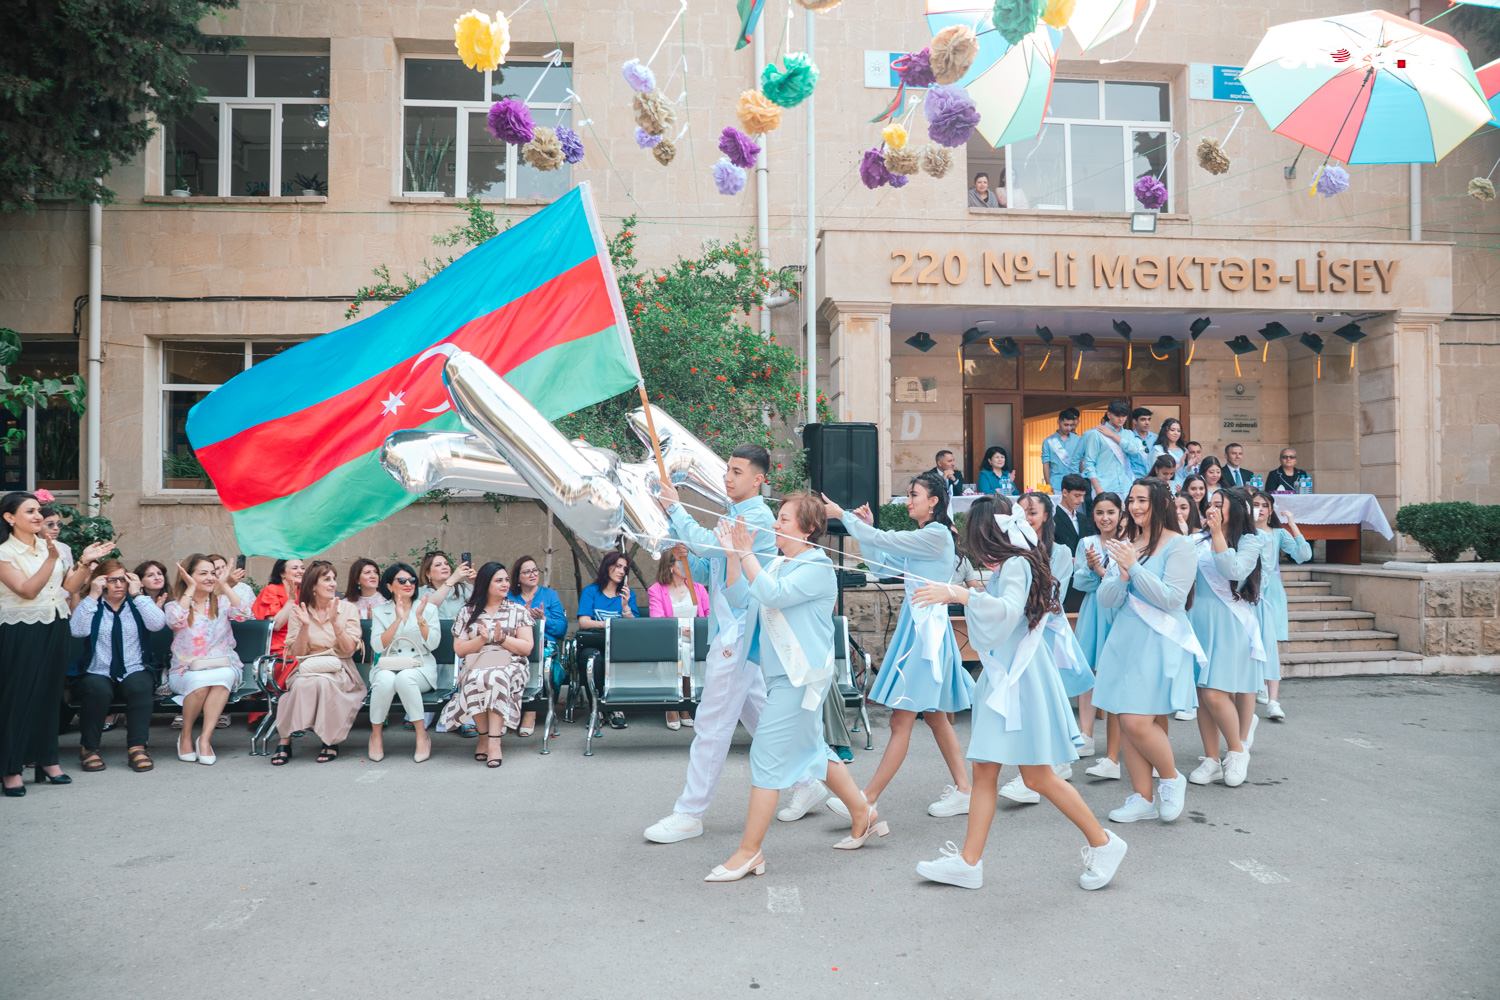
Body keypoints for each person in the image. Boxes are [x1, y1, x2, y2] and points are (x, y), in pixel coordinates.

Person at [910, 496, 1127, 891]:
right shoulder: (1018, 562)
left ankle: (1104, 841)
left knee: (1038, 775)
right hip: (1011, 678)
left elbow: (1007, 611)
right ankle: (969, 862)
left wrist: (958, 595)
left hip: (1019, 679)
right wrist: (963, 593)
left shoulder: (1016, 564)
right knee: (990, 770)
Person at [704, 494, 881, 882]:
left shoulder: (816, 565)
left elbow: (772, 595)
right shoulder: (782, 563)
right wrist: (734, 555)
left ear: (808, 529)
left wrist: (748, 554)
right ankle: (863, 814)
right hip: (786, 678)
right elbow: (740, 598)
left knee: (765, 760)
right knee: (814, 752)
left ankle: (749, 852)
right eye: (778, 518)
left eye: (783, 519)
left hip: (799, 680)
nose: (776, 524)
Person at [816, 471, 973, 821]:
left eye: (914, 494)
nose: (909, 500)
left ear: (934, 501)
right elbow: (881, 566)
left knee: (902, 722)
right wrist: (865, 530)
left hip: (924, 634)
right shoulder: (926, 536)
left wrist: (845, 517)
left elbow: (884, 540)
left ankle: (866, 798)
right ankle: (964, 789)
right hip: (920, 630)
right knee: (934, 718)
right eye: (908, 494)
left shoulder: (935, 535)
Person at [644, 443, 778, 846]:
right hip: (733, 628)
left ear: (758, 479)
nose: (727, 477)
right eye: (728, 470)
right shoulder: (734, 514)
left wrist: (676, 509)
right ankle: (810, 781)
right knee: (766, 719)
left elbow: (713, 548)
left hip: (739, 631)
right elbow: (709, 570)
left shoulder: (756, 515)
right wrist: (687, 559)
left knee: (712, 723)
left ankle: (690, 812)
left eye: (737, 472)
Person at [1091, 478, 1200, 826]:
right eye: (1132, 500)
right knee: (1125, 717)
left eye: (1142, 500)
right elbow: (1105, 599)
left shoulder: (1179, 545)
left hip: (1159, 639)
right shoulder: (1127, 544)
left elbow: (1172, 599)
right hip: (1125, 638)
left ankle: (1170, 778)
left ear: (1159, 502)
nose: (1135, 507)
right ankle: (1142, 797)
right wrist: (1122, 574)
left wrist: (1134, 568)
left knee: (1138, 719)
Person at [0, 492, 112, 796]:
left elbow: (68, 588)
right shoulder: (5, 552)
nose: (38, 516)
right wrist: (51, 558)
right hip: (20, 629)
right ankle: (11, 768)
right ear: (10, 518)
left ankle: (47, 760)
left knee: (50, 696)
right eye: (30, 512)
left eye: (38, 511)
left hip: (55, 624)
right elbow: (26, 590)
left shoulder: (52, 547)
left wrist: (85, 564)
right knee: (19, 697)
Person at [1185, 488, 1263, 789]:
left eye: (1220, 504)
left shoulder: (1250, 541)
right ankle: (1210, 759)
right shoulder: (1196, 540)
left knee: (1217, 693)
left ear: (1238, 510)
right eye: (1210, 504)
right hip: (1198, 620)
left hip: (1230, 622)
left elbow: (1232, 570)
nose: (1212, 509)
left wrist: (1217, 533)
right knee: (1203, 695)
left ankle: (1237, 750)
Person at [70, 560, 167, 774]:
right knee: (96, 689)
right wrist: (93, 595)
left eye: (122, 579)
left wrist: (138, 595)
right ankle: (89, 748)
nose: (118, 585)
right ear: (101, 582)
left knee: (141, 685)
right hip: (98, 669)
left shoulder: (137, 604)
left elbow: (158, 624)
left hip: (133, 668)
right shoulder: (92, 605)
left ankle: (137, 748)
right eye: (111, 580)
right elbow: (77, 631)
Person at [270, 561, 364, 765]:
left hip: (340, 667)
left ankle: (329, 740)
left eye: (334, 579)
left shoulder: (347, 609)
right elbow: (298, 652)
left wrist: (335, 622)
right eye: (327, 580)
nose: (333, 584)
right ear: (313, 585)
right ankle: (285, 739)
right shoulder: (299, 611)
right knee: (303, 684)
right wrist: (304, 626)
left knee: (323, 683)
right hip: (308, 666)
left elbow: (348, 650)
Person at [441, 562, 533, 768]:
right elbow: (460, 649)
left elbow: (526, 647)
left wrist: (501, 639)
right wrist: (481, 640)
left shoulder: (517, 610)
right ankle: (483, 737)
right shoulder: (468, 611)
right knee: (475, 678)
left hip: (511, 663)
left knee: (495, 677)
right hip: (478, 662)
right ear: (485, 584)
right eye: (498, 580)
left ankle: (494, 742)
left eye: (506, 580)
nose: (505, 584)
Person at [164, 553, 251, 765]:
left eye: (212, 573)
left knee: (222, 678)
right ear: (189, 576)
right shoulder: (176, 605)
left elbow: (244, 613)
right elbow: (175, 621)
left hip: (223, 665)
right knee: (201, 684)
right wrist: (191, 589)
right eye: (203, 574)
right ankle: (185, 736)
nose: (210, 577)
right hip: (186, 671)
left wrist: (225, 584)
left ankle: (205, 739)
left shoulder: (221, 603)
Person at [1072, 492, 1124, 779]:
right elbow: (1079, 582)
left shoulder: (1127, 544)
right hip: (1093, 608)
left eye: (1111, 512)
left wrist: (1100, 570)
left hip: (1116, 610)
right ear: (1093, 516)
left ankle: (1118, 744)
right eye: (1100, 512)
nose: (1105, 518)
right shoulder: (1086, 543)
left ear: (1120, 514)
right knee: (1088, 670)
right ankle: (1086, 734)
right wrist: (1092, 569)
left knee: (1114, 670)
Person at [367, 562, 440, 763]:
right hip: (388, 664)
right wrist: (397, 620)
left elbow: (433, 644)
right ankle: (376, 735)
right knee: (384, 680)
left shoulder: (428, 608)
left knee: (406, 679)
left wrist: (419, 618)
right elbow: (378, 646)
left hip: (420, 665)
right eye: (401, 580)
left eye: (412, 580)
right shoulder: (381, 611)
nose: (408, 583)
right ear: (389, 586)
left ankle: (421, 735)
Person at [1248, 490, 1309, 721]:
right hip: (1248, 592)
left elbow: (1303, 555)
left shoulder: (1278, 534)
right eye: (1255, 504)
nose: (1260, 509)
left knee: (1271, 644)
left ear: (1271, 510)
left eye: (1265, 505)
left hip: (1272, 593)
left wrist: (1293, 526)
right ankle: (1258, 684)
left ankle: (1274, 700)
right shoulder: (1243, 532)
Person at [647, 544, 708, 730]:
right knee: (681, 651)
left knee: (689, 650)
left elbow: (707, 616)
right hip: (670, 640)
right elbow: (658, 622)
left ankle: (684, 705)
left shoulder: (697, 587)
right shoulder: (656, 590)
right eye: (683, 563)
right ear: (671, 566)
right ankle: (673, 705)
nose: (689, 567)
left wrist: (694, 631)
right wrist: (683, 631)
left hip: (695, 638)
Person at [577, 550, 640, 730]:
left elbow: (634, 625)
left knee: (618, 658)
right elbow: (583, 622)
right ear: (607, 567)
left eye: (625, 569)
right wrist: (610, 624)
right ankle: (596, 709)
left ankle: (616, 709)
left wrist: (626, 607)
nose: (621, 571)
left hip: (619, 645)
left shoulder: (627, 595)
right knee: (592, 660)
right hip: (594, 644)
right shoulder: (591, 592)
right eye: (618, 566)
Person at [508, 554, 567, 737]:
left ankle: (530, 712)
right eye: (527, 571)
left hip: (545, 644)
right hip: (516, 644)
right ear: (518, 578)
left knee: (538, 654)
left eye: (535, 570)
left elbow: (562, 629)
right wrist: (523, 617)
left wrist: (543, 619)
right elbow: (502, 625)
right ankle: (507, 709)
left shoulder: (550, 595)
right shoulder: (509, 597)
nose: (533, 574)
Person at [1081, 400, 1144, 502]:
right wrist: (1097, 488)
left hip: (1126, 485)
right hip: (1104, 486)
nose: (1121, 419)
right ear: (1109, 415)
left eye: (1124, 416)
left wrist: (1112, 435)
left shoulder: (1128, 434)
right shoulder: (1096, 434)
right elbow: (1089, 463)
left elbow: (1134, 451)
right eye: (1117, 415)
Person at [417, 551, 475, 620]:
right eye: (438, 565)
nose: (444, 567)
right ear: (428, 573)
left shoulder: (462, 588)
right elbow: (428, 608)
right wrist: (453, 578)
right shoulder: (421, 591)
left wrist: (476, 582)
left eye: (446, 564)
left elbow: (480, 607)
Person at [1042, 409, 1085, 495]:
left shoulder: (1078, 439)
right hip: (1056, 484)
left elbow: (1082, 461)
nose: (1068, 428)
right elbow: (1046, 464)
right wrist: (1048, 485)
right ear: (1058, 422)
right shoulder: (1048, 441)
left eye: (1071, 425)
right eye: (1065, 425)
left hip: (1076, 484)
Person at [1126, 408, 1156, 478]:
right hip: (1136, 478)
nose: (1147, 423)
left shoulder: (1156, 438)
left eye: (1149, 419)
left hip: (1154, 478)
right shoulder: (1130, 438)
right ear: (1135, 421)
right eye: (1143, 419)